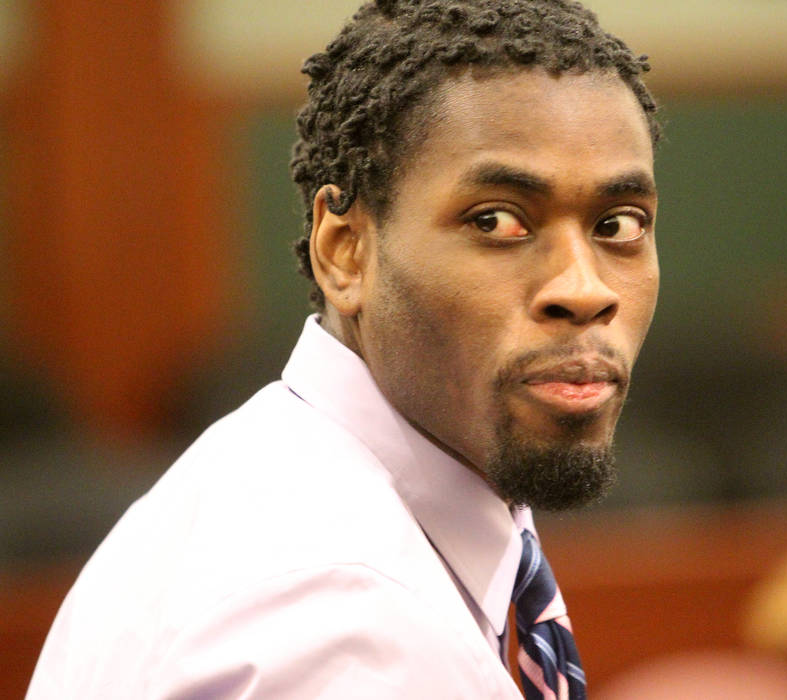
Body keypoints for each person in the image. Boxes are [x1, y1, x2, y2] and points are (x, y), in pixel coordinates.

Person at [27, 0, 660, 697]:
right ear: (345, 252)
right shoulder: (347, 627)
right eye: (497, 220)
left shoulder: (276, 480)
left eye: (618, 224)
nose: (584, 289)